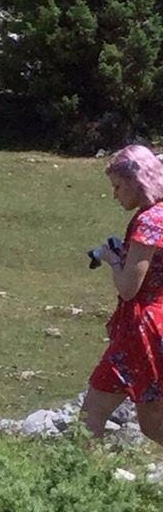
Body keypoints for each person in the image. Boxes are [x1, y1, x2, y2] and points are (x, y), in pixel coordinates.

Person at [83, 145, 163, 445]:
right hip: (156, 325)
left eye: (118, 186)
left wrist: (110, 257)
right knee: (152, 422)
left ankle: (79, 480)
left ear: (136, 181)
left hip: (142, 331)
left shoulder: (148, 222)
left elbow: (130, 288)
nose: (115, 194)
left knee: (92, 413)